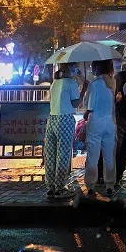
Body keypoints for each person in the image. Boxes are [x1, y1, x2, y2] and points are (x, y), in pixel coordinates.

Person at [44, 63, 84, 199]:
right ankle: (60, 188)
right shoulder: (71, 83)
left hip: (52, 119)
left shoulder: (55, 82)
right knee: (63, 154)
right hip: (65, 120)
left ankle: (50, 187)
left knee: (50, 154)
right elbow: (75, 103)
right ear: (70, 69)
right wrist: (83, 90)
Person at [85, 60, 117, 196]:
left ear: (98, 67)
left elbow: (89, 105)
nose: (92, 68)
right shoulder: (112, 82)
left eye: (93, 66)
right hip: (110, 123)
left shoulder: (95, 84)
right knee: (109, 156)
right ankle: (110, 185)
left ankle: (91, 186)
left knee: (93, 155)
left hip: (96, 123)